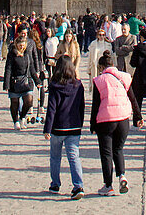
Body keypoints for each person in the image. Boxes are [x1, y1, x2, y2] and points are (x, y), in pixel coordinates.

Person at [90, 49, 144, 196]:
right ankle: (122, 176)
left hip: (106, 119)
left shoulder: (99, 80)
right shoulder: (124, 77)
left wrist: (92, 124)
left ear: (101, 68)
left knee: (106, 153)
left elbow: (95, 105)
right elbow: (133, 98)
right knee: (118, 149)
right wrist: (138, 117)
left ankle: (108, 185)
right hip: (123, 118)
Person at [44, 55, 85, 198]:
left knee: (55, 157)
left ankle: (55, 184)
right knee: (74, 157)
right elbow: (81, 107)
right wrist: (80, 123)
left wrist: (47, 128)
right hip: (73, 126)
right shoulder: (78, 85)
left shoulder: (54, 85)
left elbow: (52, 109)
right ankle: (78, 186)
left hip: (58, 127)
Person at [3, 26, 41, 130]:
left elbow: (32, 68)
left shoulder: (27, 55)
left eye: (23, 45)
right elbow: (8, 69)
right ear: (17, 45)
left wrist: (37, 80)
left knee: (29, 101)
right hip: (14, 81)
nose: (21, 46)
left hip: (26, 81)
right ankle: (15, 121)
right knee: (14, 103)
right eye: (20, 45)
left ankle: (22, 117)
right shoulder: (12, 54)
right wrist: (6, 84)